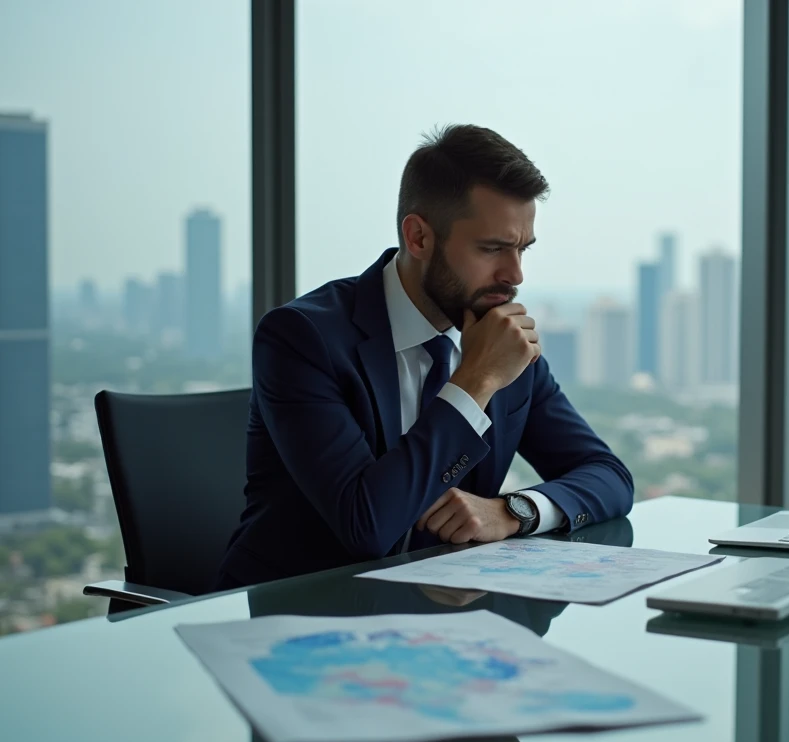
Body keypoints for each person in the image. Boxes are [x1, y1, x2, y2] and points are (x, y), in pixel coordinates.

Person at [214, 124, 634, 589]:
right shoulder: (302, 338)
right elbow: (366, 526)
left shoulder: (502, 342)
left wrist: (513, 511)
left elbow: (609, 476)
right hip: (298, 619)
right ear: (418, 237)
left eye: (521, 249)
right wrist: (475, 381)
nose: (514, 275)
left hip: (442, 620)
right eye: (492, 248)